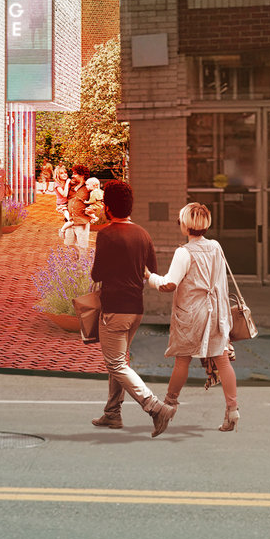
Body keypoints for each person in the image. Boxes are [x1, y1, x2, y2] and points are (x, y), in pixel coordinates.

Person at [85, 182, 174, 436]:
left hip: (114, 307)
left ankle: (155, 407)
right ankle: (112, 413)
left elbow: (97, 273)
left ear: (107, 207)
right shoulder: (143, 234)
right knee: (120, 361)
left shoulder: (106, 233)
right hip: (136, 308)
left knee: (115, 365)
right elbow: (151, 271)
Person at [148, 201, 239, 431]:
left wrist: (149, 276)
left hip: (191, 316)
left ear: (185, 225)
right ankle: (232, 410)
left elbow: (169, 284)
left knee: (182, 360)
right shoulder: (216, 247)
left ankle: (168, 406)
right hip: (216, 312)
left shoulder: (183, 252)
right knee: (222, 360)